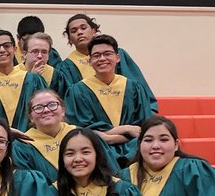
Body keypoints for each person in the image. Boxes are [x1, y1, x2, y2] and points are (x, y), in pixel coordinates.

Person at [64, 34, 154, 162]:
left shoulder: (134, 88)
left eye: (107, 54)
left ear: (117, 58)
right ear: (89, 61)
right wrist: (126, 129)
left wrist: (109, 138)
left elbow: (142, 128)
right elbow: (83, 129)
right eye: (96, 55)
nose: (102, 58)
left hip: (134, 147)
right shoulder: (78, 91)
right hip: (97, 149)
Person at [52, 13, 155, 109]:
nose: (79, 32)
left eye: (83, 28)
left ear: (94, 31)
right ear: (69, 39)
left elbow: (137, 87)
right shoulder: (65, 68)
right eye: (74, 31)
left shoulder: (118, 55)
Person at [0, 29, 47, 131]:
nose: (2, 50)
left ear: (15, 49)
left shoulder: (33, 80)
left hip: (29, 141)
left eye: (6, 46)